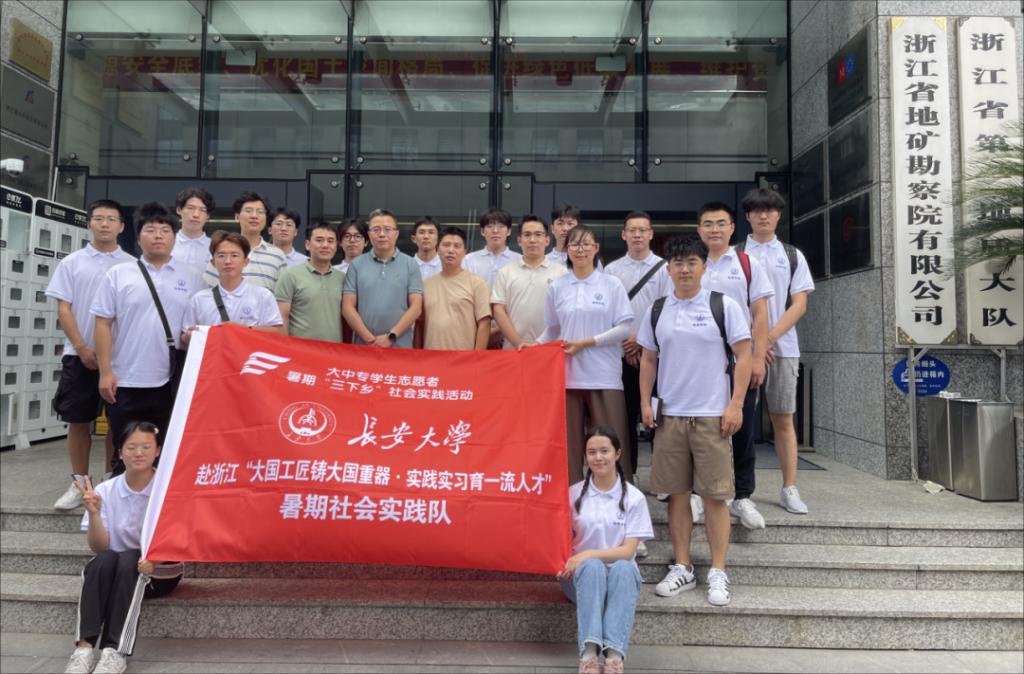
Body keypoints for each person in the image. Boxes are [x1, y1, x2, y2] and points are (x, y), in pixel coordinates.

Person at [637, 236, 751, 607]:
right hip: (671, 415)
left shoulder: (723, 305)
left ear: (704, 267)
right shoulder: (657, 309)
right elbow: (649, 359)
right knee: (676, 495)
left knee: (715, 496)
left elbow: (744, 355)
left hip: (712, 416)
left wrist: (736, 404)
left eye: (691, 263)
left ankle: (718, 570)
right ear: (668, 269)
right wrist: (645, 401)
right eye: (678, 263)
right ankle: (683, 565)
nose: (684, 270)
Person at [92, 202, 204, 470]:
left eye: (165, 230)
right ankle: (120, 489)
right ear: (138, 236)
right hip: (126, 378)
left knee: (167, 450)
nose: (158, 236)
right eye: (150, 230)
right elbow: (102, 324)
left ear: (174, 237)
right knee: (126, 447)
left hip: (171, 381)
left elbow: (197, 326)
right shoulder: (119, 274)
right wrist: (105, 372)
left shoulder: (192, 277)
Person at [64, 421, 181, 674]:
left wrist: (155, 560)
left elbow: (178, 538)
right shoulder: (105, 490)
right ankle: (83, 650)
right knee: (102, 561)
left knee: (129, 560)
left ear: (158, 451)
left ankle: (115, 651)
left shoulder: (168, 490)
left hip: (159, 571)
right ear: (120, 452)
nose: (138, 453)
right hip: (118, 568)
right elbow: (99, 547)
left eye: (146, 447)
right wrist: (94, 513)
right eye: (131, 447)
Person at [47, 199, 135, 510]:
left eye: (111, 219)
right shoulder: (72, 263)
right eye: (99, 218)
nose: (105, 224)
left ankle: (112, 481)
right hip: (79, 354)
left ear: (121, 226)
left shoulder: (131, 265)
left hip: (120, 357)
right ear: (89, 224)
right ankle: (79, 483)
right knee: (78, 420)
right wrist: (83, 347)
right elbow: (64, 309)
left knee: (117, 421)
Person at [736, 188, 815, 515]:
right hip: (742, 350)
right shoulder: (736, 254)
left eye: (769, 210)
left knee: (783, 418)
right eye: (757, 211)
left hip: (783, 348)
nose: (763, 216)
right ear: (748, 216)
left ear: (779, 215)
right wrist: (754, 343)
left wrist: (767, 339)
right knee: (737, 420)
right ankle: (736, 489)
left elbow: (800, 304)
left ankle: (789, 488)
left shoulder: (792, 255)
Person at [696, 201, 774, 530]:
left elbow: (760, 312)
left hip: (738, 357)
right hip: (697, 360)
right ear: (699, 229)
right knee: (698, 426)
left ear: (731, 228)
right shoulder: (691, 263)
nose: (714, 229)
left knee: (741, 426)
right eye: (708, 223)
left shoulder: (747, 263)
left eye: (720, 223)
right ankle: (698, 493)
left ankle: (742, 495)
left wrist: (757, 357)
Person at [537, 225, 635, 484]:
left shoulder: (611, 284)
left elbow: (624, 327)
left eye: (585, 244)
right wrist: (532, 349)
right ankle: (571, 495)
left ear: (596, 248)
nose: (580, 250)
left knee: (610, 442)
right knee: (568, 446)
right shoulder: (558, 286)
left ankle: (617, 494)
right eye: (574, 244)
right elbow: (553, 329)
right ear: (566, 250)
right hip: (568, 377)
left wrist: (588, 342)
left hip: (604, 376)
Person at [558, 427, 653, 674]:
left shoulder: (634, 498)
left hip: (620, 581)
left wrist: (586, 553)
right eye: (592, 452)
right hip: (580, 579)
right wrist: (571, 561)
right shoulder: (573, 494)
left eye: (604, 451)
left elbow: (628, 551)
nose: (598, 457)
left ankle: (614, 657)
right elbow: (560, 541)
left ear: (617, 454)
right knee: (592, 568)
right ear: (585, 456)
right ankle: (589, 653)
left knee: (623, 568)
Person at [604, 210, 673, 478]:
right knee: (624, 419)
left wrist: (642, 342)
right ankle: (626, 474)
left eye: (642, 230)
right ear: (623, 235)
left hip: (655, 356)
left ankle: (662, 478)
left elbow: (666, 309)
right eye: (632, 230)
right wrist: (625, 341)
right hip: (620, 355)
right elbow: (607, 312)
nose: (637, 235)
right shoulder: (612, 270)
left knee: (657, 417)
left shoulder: (665, 269)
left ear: (651, 234)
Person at [181, 231, 283, 343]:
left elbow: (278, 333)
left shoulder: (262, 296)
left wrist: (242, 329)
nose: (228, 261)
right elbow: (185, 336)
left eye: (234, 255)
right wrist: (189, 336)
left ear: (246, 262)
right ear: (213, 262)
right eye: (221, 256)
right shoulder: (199, 299)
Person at [342, 208, 422, 348]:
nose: (382, 234)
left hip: (400, 345)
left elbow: (416, 307)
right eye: (376, 229)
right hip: (364, 346)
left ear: (396, 234)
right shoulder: (356, 265)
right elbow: (347, 307)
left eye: (387, 229)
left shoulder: (410, 264)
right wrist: (369, 339)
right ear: (369, 234)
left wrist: (392, 336)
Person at [492, 215, 567, 349]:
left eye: (538, 235)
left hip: (550, 349)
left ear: (547, 240)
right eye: (527, 235)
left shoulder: (561, 272)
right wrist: (518, 342)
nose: (532, 240)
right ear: (519, 240)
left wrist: (542, 343)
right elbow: (498, 310)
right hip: (513, 349)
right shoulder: (506, 272)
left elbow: (564, 312)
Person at [417, 227, 491, 350]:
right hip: (431, 357)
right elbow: (420, 324)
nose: (451, 250)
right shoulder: (425, 285)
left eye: (457, 246)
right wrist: (418, 355)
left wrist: (476, 357)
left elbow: (485, 323)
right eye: (446, 245)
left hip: (463, 358)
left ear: (465, 252)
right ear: (437, 249)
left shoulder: (477, 283)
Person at [274, 224, 346, 342]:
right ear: (307, 244)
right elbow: (282, 316)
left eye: (330, 241)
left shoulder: (342, 278)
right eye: (319, 240)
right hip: (301, 349)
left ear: (336, 246)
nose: (325, 245)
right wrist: (285, 346)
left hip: (334, 349)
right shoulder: (290, 275)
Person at [203, 191, 287, 291]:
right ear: (237, 217)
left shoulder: (277, 256)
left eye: (260, 212)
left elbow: (282, 296)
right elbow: (210, 289)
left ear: (265, 219)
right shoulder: (221, 251)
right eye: (248, 211)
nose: (254, 216)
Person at [462, 208, 522, 288]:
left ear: (509, 231)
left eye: (501, 226)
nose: (495, 231)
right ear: (482, 231)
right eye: (490, 226)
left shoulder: (520, 260)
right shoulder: (469, 260)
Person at [172, 186, 214, 273]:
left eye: (202, 210)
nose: (196, 215)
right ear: (179, 210)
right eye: (190, 208)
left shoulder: (215, 247)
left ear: (208, 215)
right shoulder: (167, 244)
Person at [411, 216, 441, 280]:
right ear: (414, 239)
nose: (426, 236)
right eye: (421, 232)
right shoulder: (406, 266)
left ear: (438, 238)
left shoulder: (446, 266)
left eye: (431, 232)